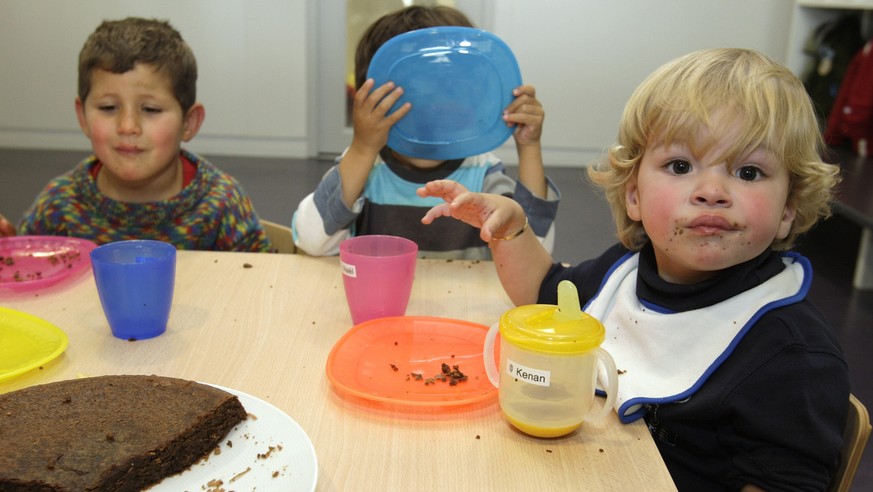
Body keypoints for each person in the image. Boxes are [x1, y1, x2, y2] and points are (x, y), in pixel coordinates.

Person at [418, 48, 849, 490]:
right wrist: (512, 230)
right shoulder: (625, 271)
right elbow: (545, 294)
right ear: (633, 195)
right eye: (681, 166)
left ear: (788, 210)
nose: (712, 190)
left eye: (750, 171)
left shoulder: (793, 356)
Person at [292, 6, 559, 259]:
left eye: (451, 89)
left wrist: (529, 147)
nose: (434, 109)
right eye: (417, 92)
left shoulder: (483, 174)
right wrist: (363, 149)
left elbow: (535, 252)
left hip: (461, 305)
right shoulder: (364, 169)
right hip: (382, 305)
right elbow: (311, 241)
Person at [2, 17, 271, 251]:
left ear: (189, 123)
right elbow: (25, 275)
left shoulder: (221, 202)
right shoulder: (59, 205)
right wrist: (7, 248)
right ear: (82, 117)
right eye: (109, 107)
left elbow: (267, 282)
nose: (127, 126)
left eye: (151, 109)